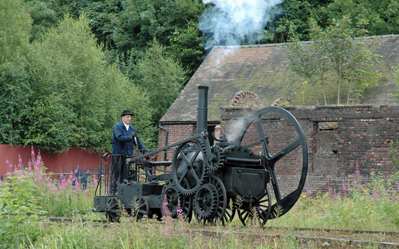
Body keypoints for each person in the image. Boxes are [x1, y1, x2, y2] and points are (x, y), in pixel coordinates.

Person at [109, 109, 146, 195]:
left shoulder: (132, 128)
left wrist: (144, 152)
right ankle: (112, 192)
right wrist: (129, 138)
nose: (129, 118)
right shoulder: (117, 127)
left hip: (127, 156)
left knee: (125, 176)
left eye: (130, 117)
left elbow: (137, 142)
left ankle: (122, 193)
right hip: (118, 155)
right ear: (123, 117)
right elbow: (119, 138)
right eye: (127, 117)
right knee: (115, 175)